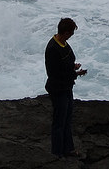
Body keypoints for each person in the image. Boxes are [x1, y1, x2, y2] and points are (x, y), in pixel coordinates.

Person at [44, 17, 87, 158]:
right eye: (71, 33)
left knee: (67, 119)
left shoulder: (63, 44)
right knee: (59, 122)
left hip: (67, 87)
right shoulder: (53, 48)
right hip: (58, 89)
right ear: (66, 32)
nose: (72, 36)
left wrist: (72, 67)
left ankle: (68, 149)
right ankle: (57, 152)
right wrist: (75, 73)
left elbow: (64, 65)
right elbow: (55, 73)